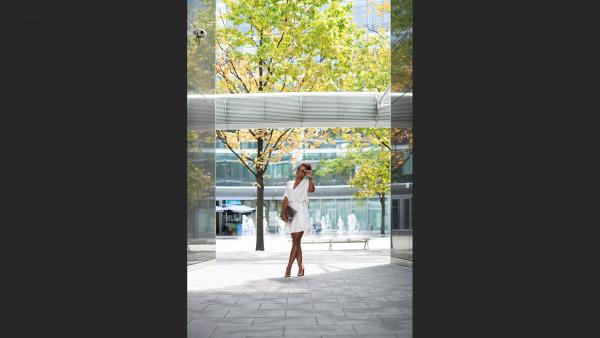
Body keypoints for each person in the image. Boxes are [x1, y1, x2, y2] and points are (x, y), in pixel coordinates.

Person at [281, 162, 315, 278]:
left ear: (306, 173)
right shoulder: (289, 183)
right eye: (299, 170)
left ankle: (288, 267)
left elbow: (312, 190)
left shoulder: (306, 182)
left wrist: (310, 178)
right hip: (290, 211)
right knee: (296, 242)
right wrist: (283, 212)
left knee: (295, 241)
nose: (300, 173)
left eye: (303, 171)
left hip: (301, 212)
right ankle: (301, 267)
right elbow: (285, 198)